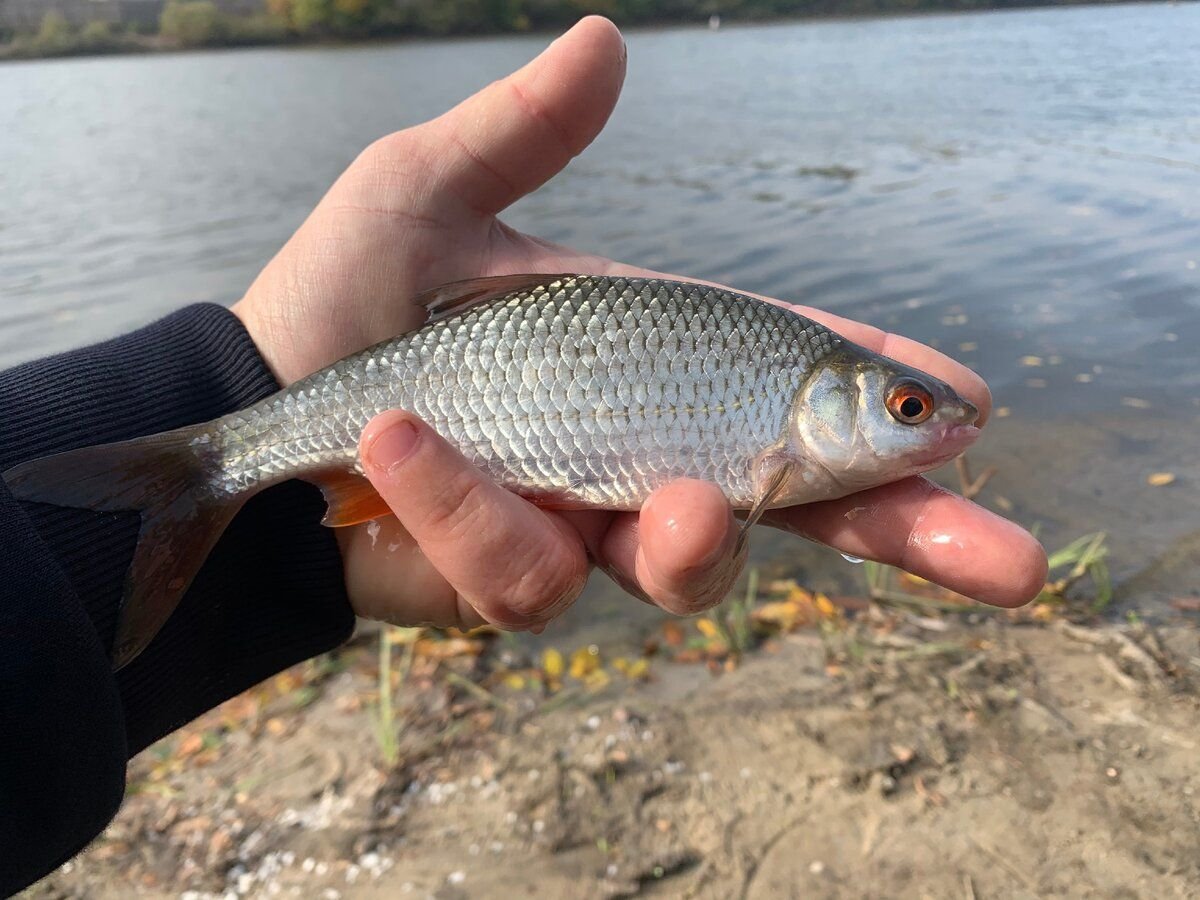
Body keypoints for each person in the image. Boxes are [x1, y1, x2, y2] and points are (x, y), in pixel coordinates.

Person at [0, 16, 1046, 894]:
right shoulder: (780, 425)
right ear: (835, 398)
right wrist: (234, 406)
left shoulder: (782, 391)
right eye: (910, 407)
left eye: (910, 409)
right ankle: (208, 470)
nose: (933, 428)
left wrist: (238, 403)